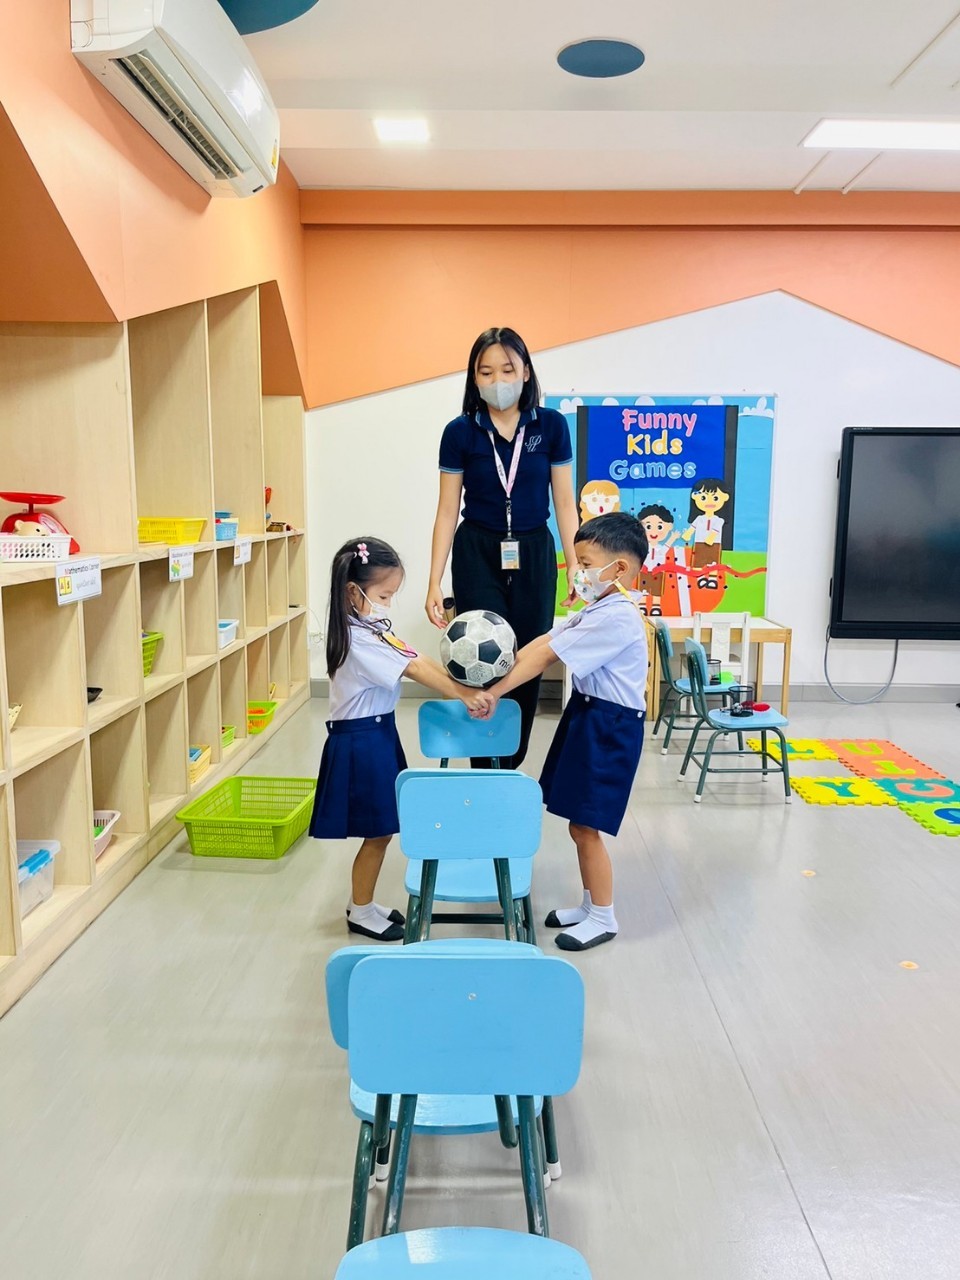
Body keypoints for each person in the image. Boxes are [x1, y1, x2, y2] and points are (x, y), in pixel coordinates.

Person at [310, 537, 492, 941]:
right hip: (360, 741)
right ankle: (360, 911)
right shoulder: (358, 641)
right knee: (377, 832)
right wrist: (463, 695)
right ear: (352, 592)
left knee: (383, 828)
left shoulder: (371, 628)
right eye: (383, 596)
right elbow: (413, 671)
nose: (388, 604)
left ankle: (363, 903)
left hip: (376, 733)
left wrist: (463, 686)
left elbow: (415, 658)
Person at [481, 513, 648, 952]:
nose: (579, 573)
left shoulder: (617, 617)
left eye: (586, 564)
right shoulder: (599, 608)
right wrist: (501, 664)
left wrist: (493, 692)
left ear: (619, 569)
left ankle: (604, 916)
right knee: (578, 824)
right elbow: (544, 641)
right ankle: (590, 905)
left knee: (587, 827)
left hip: (609, 727)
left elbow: (547, 658)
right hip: (589, 716)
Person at [425, 327, 579, 769]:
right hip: (477, 551)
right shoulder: (460, 432)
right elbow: (446, 510)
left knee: (527, 657)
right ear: (474, 378)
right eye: (486, 372)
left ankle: (510, 760)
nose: (498, 381)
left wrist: (574, 564)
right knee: (480, 655)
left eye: (508, 370)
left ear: (526, 372)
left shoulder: (551, 426)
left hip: (533, 551)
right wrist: (434, 581)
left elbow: (564, 502)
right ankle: (481, 764)